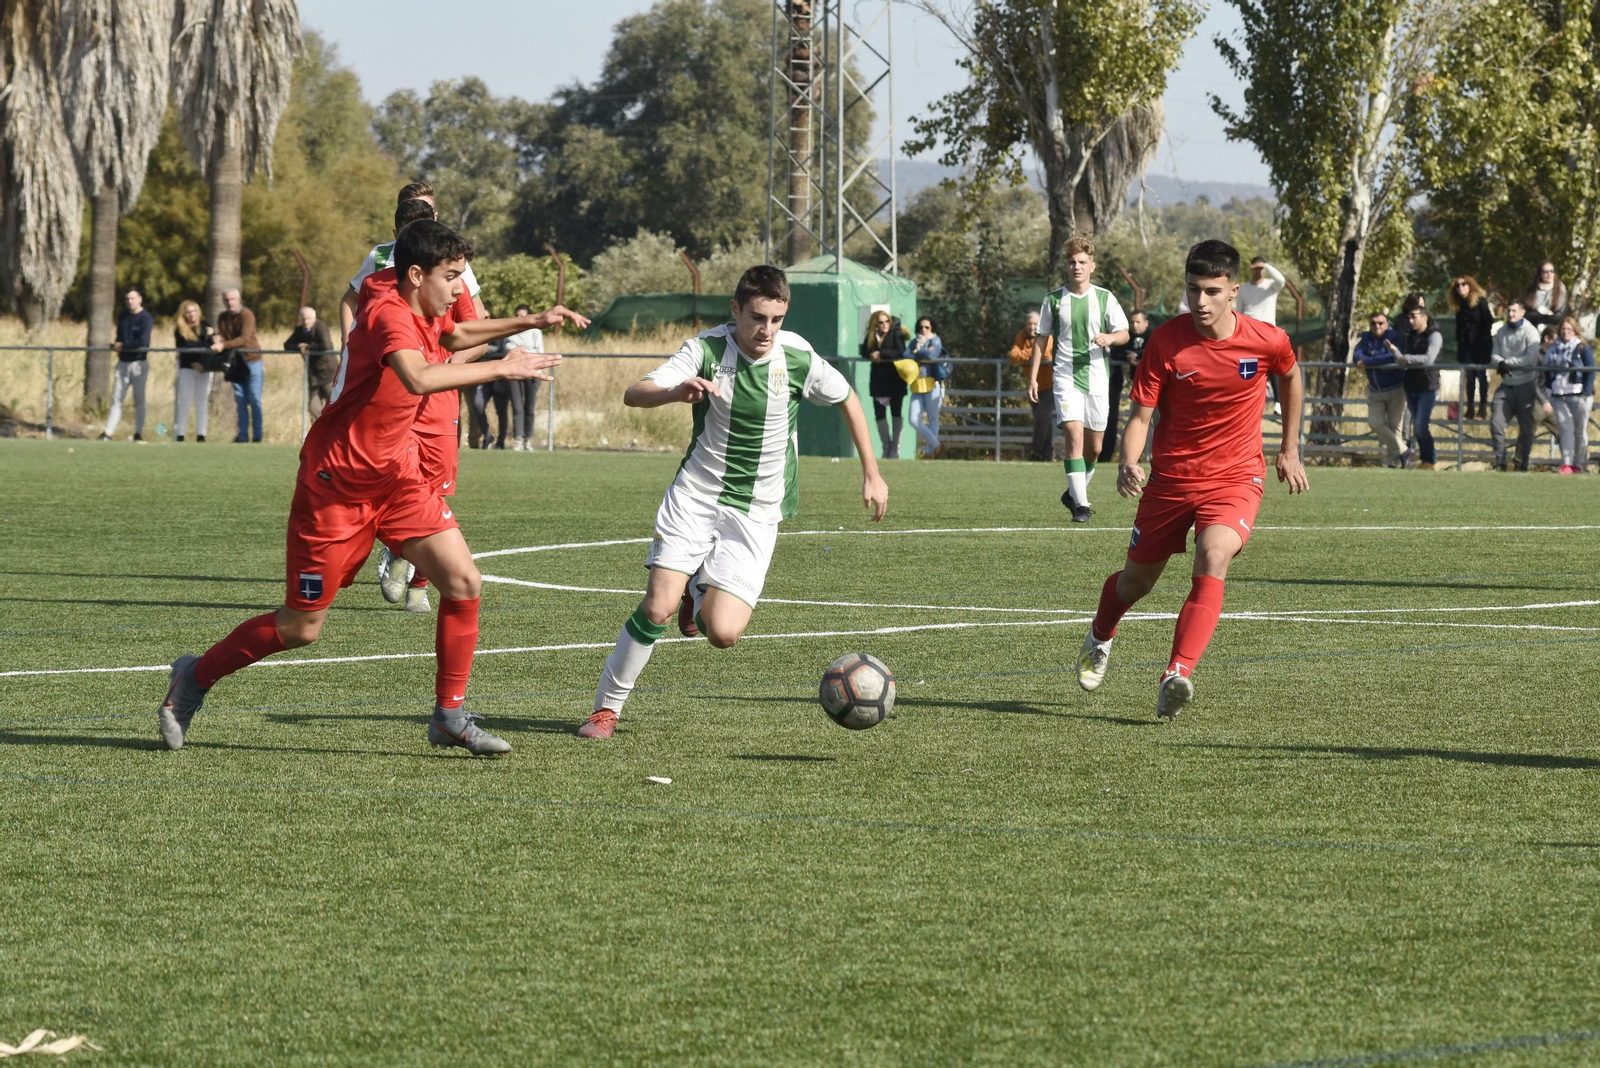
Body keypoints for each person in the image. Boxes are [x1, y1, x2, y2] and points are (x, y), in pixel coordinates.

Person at [156, 220, 577, 756]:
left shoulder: (409, 294)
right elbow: (419, 377)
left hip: (397, 481)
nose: (458, 290)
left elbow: (451, 336)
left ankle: (449, 714)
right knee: (300, 628)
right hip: (335, 489)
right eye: (452, 278)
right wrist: (504, 367)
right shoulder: (387, 315)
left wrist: (529, 322)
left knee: (463, 582)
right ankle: (194, 677)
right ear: (417, 274)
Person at [576, 265, 889, 740]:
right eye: (757, 317)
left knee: (722, 633)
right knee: (656, 607)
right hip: (696, 496)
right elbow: (633, 393)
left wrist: (872, 473)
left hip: (758, 511)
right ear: (735, 310)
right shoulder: (704, 350)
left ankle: (696, 591)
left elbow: (847, 397)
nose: (766, 330)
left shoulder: (797, 356)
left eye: (777, 319)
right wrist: (675, 392)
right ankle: (606, 710)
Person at [1073, 239, 1306, 720]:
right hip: (1172, 481)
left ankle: (1176, 673)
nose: (1200, 302)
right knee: (1136, 584)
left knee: (1214, 552)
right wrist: (1129, 461)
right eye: (1192, 290)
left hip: (1236, 477)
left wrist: (1289, 447)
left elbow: (1291, 373)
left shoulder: (1265, 339)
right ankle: (1100, 635)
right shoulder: (1167, 341)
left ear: (1234, 291)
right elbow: (1141, 416)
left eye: (1212, 291)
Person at [368, 198, 491, 613]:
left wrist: (450, 368)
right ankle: (398, 548)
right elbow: (354, 304)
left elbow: (471, 335)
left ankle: (419, 584)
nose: (456, 283)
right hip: (397, 401)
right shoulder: (380, 273)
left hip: (437, 404)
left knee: (435, 493)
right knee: (391, 488)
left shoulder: (453, 277)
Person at [1027, 237, 1130, 522]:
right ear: (1066, 265)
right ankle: (1082, 506)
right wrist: (1034, 377)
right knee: (1073, 433)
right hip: (1065, 376)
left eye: (1082, 262)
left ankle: (1073, 492)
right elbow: (1041, 339)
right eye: (1072, 262)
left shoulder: (1104, 297)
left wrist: (1110, 337)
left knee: (1095, 448)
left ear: (1092, 266)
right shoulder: (1053, 299)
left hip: (1097, 378)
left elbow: (1124, 332)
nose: (1077, 267)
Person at [339, 183, 488, 346]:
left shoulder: (453, 260)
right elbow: (350, 300)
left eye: (424, 211)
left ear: (434, 218)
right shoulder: (379, 258)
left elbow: (475, 317)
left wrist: (456, 355)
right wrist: (347, 342)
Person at [1490, 299, 1543, 471]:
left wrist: (1508, 363)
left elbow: (1530, 358)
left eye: (1514, 311)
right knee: (1496, 423)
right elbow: (1494, 354)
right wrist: (1500, 363)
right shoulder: (1501, 332)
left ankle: (1521, 463)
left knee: (1526, 429)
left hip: (1526, 384)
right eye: (1509, 311)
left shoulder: (1531, 332)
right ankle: (1500, 462)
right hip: (1506, 385)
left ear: (1522, 312)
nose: (1511, 314)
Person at [1539, 317, 1594, 473]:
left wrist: (1586, 392)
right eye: (1563, 329)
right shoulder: (1553, 349)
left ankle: (1578, 463)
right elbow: (1548, 373)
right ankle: (1566, 464)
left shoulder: (1581, 347)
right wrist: (1549, 392)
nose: (1566, 332)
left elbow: (1590, 370)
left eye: (1569, 329)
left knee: (1580, 430)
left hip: (1578, 395)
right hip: (1559, 395)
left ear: (1574, 330)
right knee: (1565, 429)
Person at [100, 287, 154, 441]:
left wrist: (123, 346)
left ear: (140, 299)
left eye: (133, 298)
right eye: (127, 299)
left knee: (139, 399)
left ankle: (138, 432)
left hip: (139, 363)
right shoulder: (123, 316)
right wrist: (117, 346)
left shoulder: (145, 318)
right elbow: (120, 337)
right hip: (123, 363)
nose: (130, 302)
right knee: (117, 397)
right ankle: (108, 433)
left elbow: (143, 341)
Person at [1352, 310, 1406, 467]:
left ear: (1387, 324)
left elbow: (1392, 357)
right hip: (1375, 390)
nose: (1377, 326)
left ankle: (1393, 463)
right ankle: (1404, 451)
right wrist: (1365, 360)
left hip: (1396, 389)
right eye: (1373, 323)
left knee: (1395, 426)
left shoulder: (1394, 336)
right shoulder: (1366, 337)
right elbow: (1357, 355)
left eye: (1380, 323)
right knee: (1375, 422)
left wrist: (1368, 361)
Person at [1394, 304, 1442, 469]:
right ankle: (1426, 460)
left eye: (1414, 317)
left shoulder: (1434, 336)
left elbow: (1429, 359)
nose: (1411, 320)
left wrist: (1406, 358)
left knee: (1421, 426)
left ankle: (1431, 460)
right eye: (1409, 317)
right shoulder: (1410, 336)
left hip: (1428, 386)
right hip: (1411, 385)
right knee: (1417, 425)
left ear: (1424, 317)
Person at [1100, 309, 1151, 463]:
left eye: (1138, 321)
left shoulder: (1154, 336)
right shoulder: (1127, 337)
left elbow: (1154, 350)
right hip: (1133, 386)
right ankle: (1110, 456)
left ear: (1146, 323)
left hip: (1152, 387)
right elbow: (1116, 352)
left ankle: (1153, 457)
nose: (1134, 325)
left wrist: (1139, 355)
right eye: (1132, 322)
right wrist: (1128, 356)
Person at [213, 288, 261, 442]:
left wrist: (224, 345)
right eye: (227, 300)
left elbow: (244, 338)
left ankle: (258, 436)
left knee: (254, 399)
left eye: (232, 299)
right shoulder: (222, 317)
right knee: (240, 399)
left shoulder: (247, 314)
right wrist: (217, 339)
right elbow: (224, 335)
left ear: (239, 300)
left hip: (252, 360)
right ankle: (242, 435)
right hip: (235, 362)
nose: (230, 302)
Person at [860, 309, 909, 458]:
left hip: (895, 380)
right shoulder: (872, 336)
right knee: (879, 414)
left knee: (896, 413)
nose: (884, 325)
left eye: (887, 321)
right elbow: (863, 351)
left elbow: (900, 351)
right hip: (878, 381)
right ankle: (886, 446)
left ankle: (895, 447)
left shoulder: (896, 333)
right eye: (880, 322)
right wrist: (871, 354)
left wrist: (882, 354)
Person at [1009, 311, 1055, 462]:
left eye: (1035, 324)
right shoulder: (1021, 337)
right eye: (1029, 324)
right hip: (1033, 386)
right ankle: (1046, 455)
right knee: (1041, 420)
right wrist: (1036, 351)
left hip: (1051, 385)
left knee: (1042, 417)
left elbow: (1047, 353)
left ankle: (1036, 451)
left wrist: (1027, 353)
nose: (1032, 327)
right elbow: (1013, 357)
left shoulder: (1046, 335)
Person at [1448, 276, 1494, 420]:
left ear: (1470, 285)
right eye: (1458, 286)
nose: (1461, 288)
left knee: (1481, 376)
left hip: (1480, 345)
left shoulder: (1480, 301)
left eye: (1464, 284)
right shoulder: (1460, 305)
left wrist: (1483, 338)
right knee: (1470, 377)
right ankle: (1470, 407)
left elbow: (1488, 321)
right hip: (1466, 346)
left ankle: (1483, 407)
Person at [173, 300, 216, 442]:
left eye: (193, 311)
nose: (191, 315)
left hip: (204, 369)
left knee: (202, 400)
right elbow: (186, 346)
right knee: (185, 399)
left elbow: (211, 347)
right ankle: (180, 433)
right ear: (183, 314)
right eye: (188, 312)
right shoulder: (180, 329)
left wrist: (209, 336)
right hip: (187, 367)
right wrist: (194, 362)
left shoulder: (205, 326)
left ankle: (201, 434)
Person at [907, 316, 948, 458]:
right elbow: (905, 355)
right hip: (917, 385)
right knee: (913, 419)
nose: (923, 330)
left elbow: (932, 356)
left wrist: (917, 352)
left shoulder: (935, 340)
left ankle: (929, 453)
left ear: (932, 328)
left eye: (927, 327)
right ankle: (937, 445)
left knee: (933, 418)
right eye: (921, 327)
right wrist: (919, 352)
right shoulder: (914, 342)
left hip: (932, 383)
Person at [284, 306, 336, 418]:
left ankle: (336, 432)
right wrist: (299, 346)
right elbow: (287, 345)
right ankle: (319, 433)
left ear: (314, 318)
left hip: (327, 373)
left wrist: (308, 347)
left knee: (333, 404)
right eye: (303, 319)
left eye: (308, 318)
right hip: (313, 375)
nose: (306, 321)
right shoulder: (300, 330)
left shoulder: (321, 327)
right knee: (313, 407)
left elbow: (325, 345)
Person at [505, 305, 544, 450]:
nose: (520, 318)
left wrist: (523, 353)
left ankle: (528, 439)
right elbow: (509, 348)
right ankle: (518, 439)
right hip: (515, 371)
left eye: (523, 315)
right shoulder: (511, 331)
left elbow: (539, 351)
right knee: (517, 406)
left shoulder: (535, 331)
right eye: (518, 315)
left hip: (533, 372)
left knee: (530, 407)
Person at [1237, 258, 1286, 324]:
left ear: (1265, 269)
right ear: (1251, 269)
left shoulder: (1271, 286)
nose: (1258, 271)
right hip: (1249, 327)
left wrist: (1266, 265)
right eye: (1256, 268)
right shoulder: (1243, 288)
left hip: (1268, 327)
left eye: (1261, 268)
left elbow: (1281, 280)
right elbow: (1239, 311)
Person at [1522, 262, 1568, 330]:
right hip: (1533, 327)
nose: (1549, 274)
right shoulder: (1532, 290)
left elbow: (1560, 315)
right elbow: (1526, 313)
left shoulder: (1561, 289)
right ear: (1540, 274)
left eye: (1552, 271)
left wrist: (1548, 317)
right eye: (1545, 272)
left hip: (1553, 328)